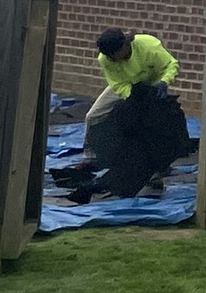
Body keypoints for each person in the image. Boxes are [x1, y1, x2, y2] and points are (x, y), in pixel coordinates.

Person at [74, 27, 191, 202]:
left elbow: (171, 65)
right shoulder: (105, 59)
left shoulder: (148, 46)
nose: (112, 60)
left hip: (154, 84)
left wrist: (164, 82)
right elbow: (117, 84)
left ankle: (157, 168)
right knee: (93, 115)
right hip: (129, 87)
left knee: (155, 124)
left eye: (114, 56)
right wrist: (132, 97)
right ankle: (90, 157)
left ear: (123, 48)